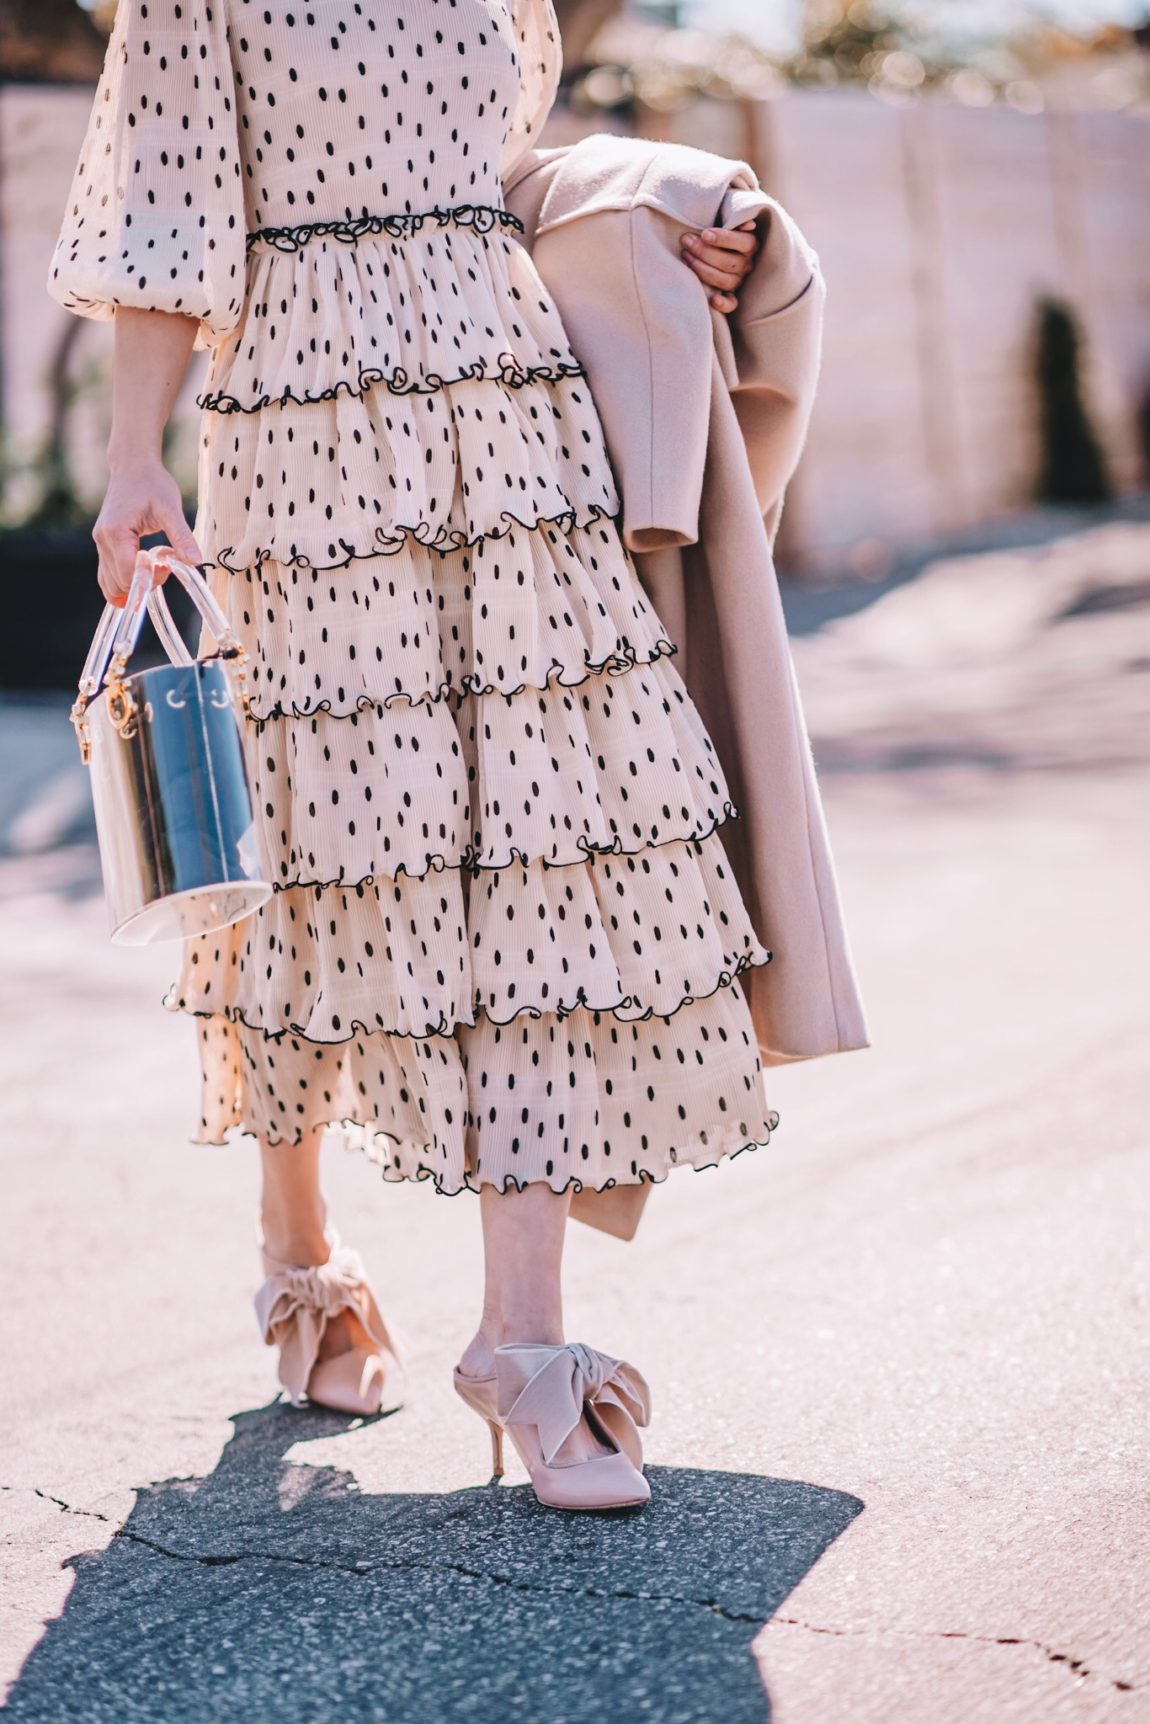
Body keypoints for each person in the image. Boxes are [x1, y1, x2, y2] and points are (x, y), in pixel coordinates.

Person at [48, 0, 775, 1513]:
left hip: (510, 413)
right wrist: (132, 463)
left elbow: (494, 173)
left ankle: (523, 1342)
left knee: (540, 836)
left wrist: (678, 217)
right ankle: (301, 1255)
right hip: (303, 427)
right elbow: (169, 213)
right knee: (319, 846)